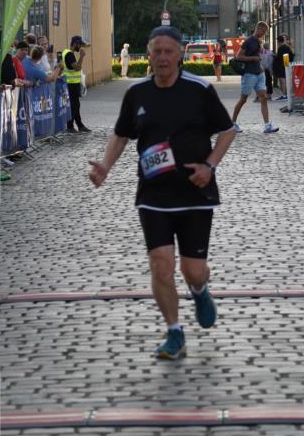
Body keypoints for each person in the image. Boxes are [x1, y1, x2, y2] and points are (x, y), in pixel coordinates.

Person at [89, 26, 237, 360]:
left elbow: (228, 132)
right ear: (149, 53)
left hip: (195, 191)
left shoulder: (199, 90)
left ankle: (199, 290)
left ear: (181, 54)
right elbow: (120, 135)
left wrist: (209, 166)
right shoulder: (137, 93)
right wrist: (105, 166)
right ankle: (174, 333)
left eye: (169, 51)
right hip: (153, 194)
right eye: (156, 51)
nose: (162, 58)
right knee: (160, 265)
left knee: (192, 269)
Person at [231, 21, 279, 134]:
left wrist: (260, 65)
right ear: (258, 29)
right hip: (249, 74)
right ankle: (232, 124)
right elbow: (238, 56)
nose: (264, 34)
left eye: (265, 32)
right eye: (263, 31)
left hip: (259, 73)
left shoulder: (258, 41)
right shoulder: (248, 41)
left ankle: (267, 125)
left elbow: (258, 56)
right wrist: (253, 58)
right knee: (243, 99)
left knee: (263, 97)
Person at [62, 35, 90, 132]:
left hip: (72, 83)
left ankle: (77, 125)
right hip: (71, 84)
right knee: (74, 105)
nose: (80, 47)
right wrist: (82, 57)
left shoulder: (66, 52)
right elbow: (77, 67)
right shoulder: (69, 54)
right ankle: (72, 126)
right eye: (79, 45)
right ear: (75, 44)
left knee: (75, 105)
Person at [273, 34, 295, 99]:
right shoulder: (287, 47)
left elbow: (279, 58)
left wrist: (274, 56)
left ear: (279, 42)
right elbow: (291, 56)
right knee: (284, 81)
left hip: (281, 66)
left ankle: (284, 94)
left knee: (283, 81)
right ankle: (285, 94)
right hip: (286, 65)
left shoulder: (281, 48)